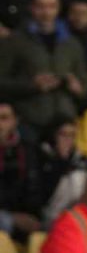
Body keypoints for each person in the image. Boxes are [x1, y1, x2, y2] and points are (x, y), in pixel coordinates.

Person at [0, 0, 87, 129]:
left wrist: (77, 87)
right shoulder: (15, 42)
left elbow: (85, 86)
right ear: (31, 8)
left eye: (51, 6)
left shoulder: (72, 44)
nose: (46, 12)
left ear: (58, 8)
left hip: (64, 125)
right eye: (41, 6)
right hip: (29, 123)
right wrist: (31, 85)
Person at [36, 117, 87, 227]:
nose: (68, 139)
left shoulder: (84, 161)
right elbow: (42, 193)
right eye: (63, 134)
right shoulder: (40, 158)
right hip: (48, 216)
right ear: (53, 135)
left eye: (72, 135)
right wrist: (61, 161)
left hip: (77, 216)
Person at [0, 102, 42, 240]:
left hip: (23, 215)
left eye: (4, 118)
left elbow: (34, 189)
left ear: (15, 121)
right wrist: (12, 218)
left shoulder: (28, 150)